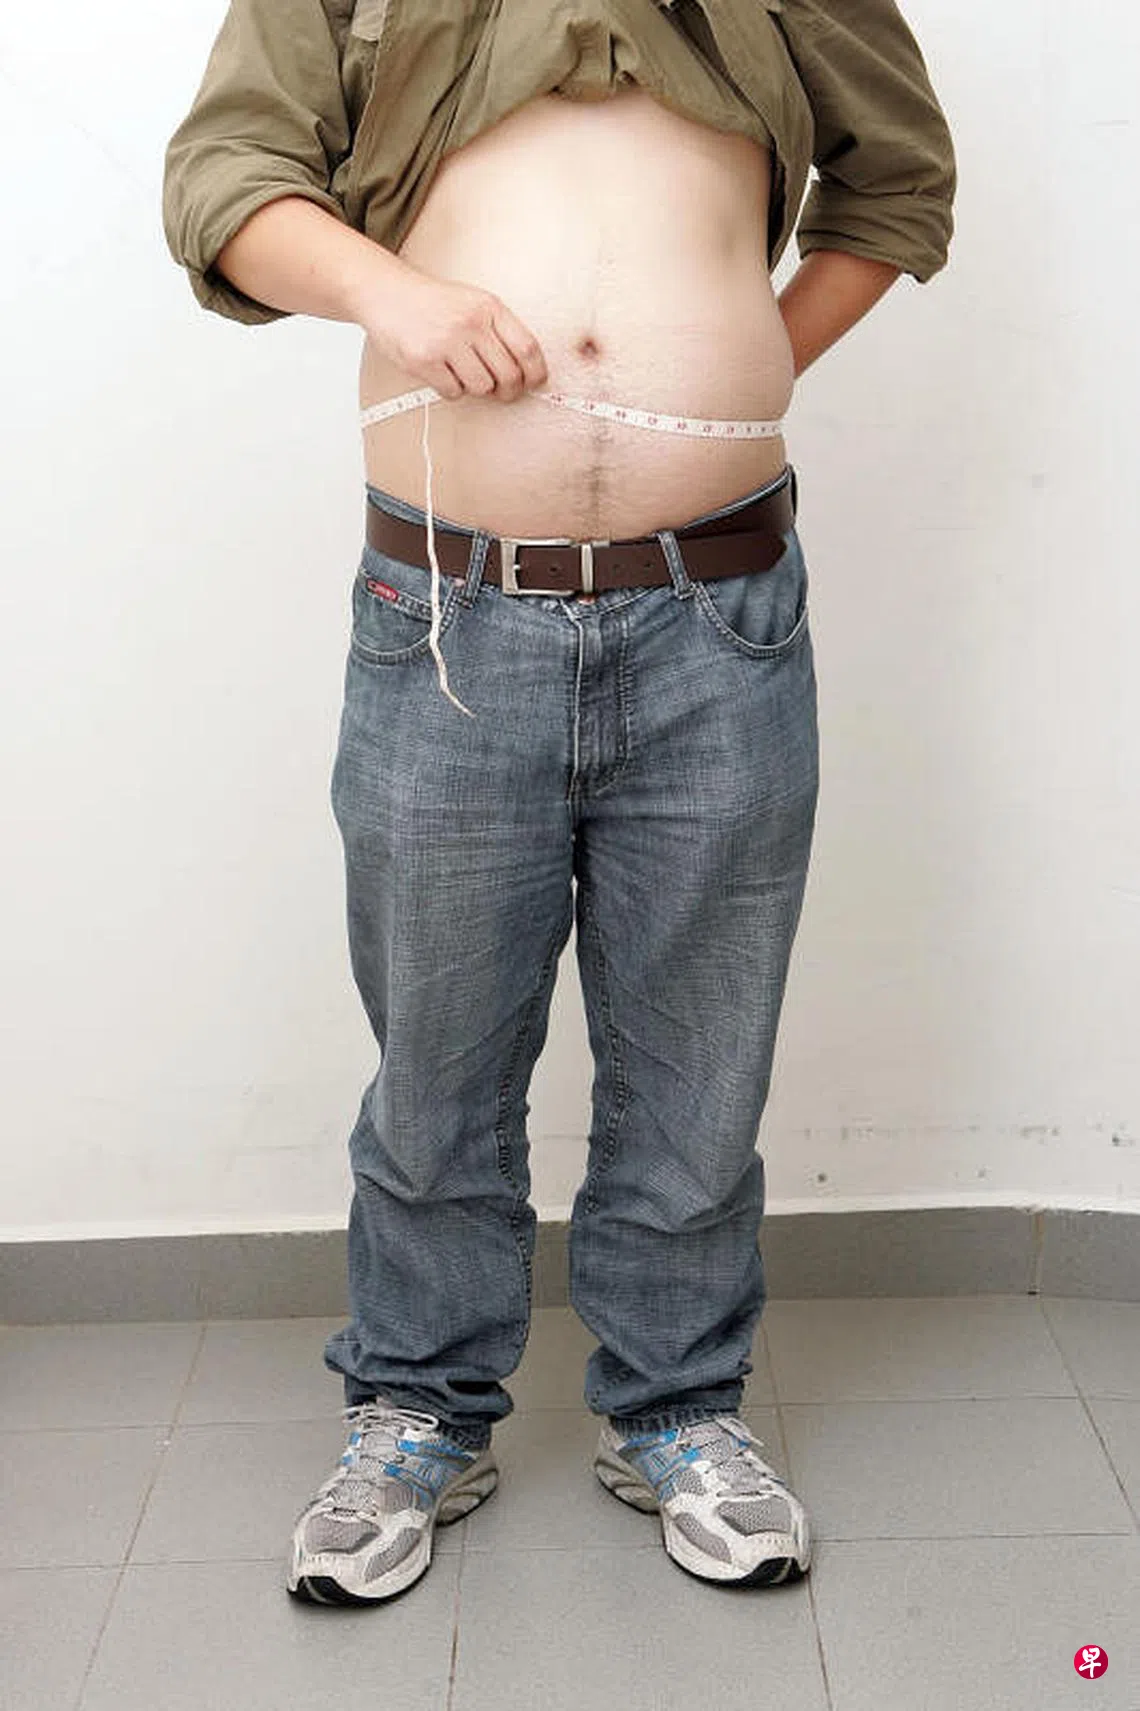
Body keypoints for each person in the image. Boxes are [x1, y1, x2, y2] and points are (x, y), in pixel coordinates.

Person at [164, 0, 955, 1604]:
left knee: (701, 1052)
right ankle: (414, 1409)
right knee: (437, 1056)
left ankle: (679, 1407)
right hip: (445, 619)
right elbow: (226, 181)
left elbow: (899, 182)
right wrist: (393, 292)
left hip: (720, 612)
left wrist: (743, 364)